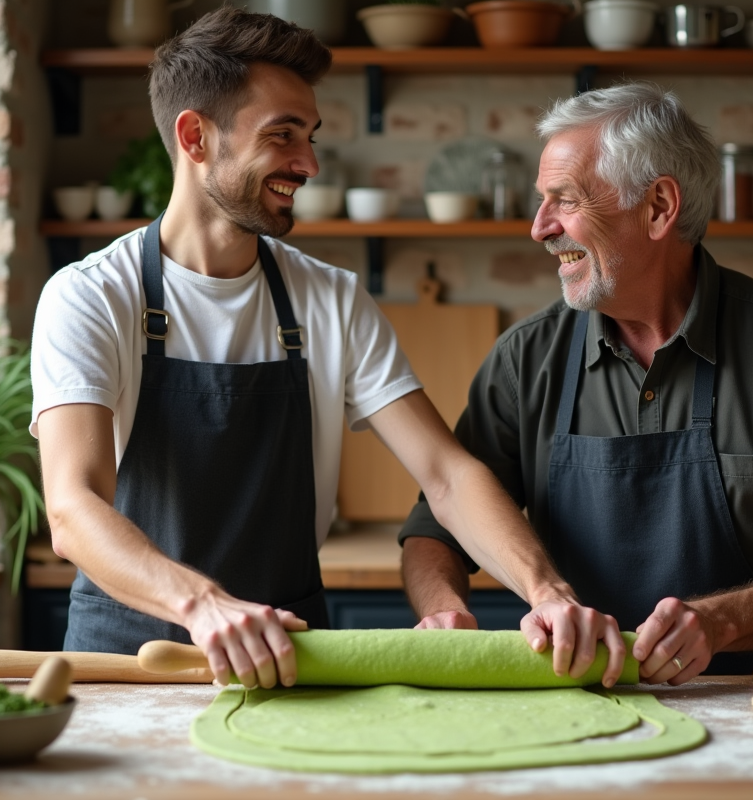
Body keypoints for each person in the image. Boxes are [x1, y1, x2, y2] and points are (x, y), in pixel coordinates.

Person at [31, 7, 623, 692]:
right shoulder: (91, 297)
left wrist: (546, 591)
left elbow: (446, 473)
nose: (307, 163)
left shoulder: (328, 300)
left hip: (291, 658)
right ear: (195, 137)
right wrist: (203, 606)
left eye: (309, 137)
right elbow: (73, 507)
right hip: (129, 665)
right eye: (283, 136)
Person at [398, 83, 753, 684]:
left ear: (659, 207)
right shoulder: (526, 359)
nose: (539, 227)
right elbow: (435, 525)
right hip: (569, 700)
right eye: (541, 201)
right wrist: (445, 609)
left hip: (751, 705)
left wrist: (719, 621)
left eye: (565, 200)